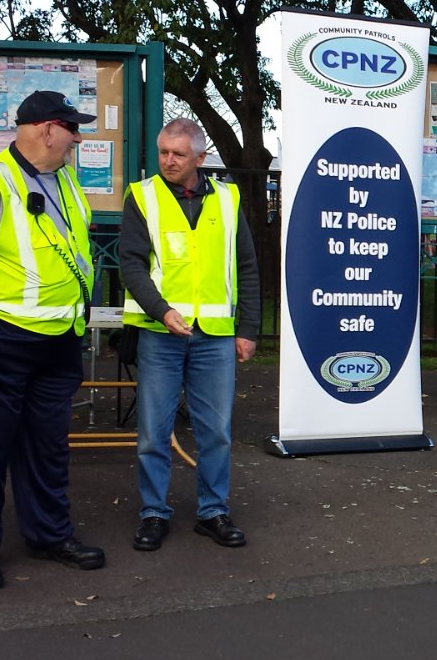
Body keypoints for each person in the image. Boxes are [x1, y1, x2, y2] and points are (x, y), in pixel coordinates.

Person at [0, 89, 105, 590]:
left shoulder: (65, 182)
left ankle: (49, 535)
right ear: (47, 129)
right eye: (72, 128)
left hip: (58, 341)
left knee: (48, 448)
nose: (77, 137)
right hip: (3, 340)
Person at [119, 117, 261, 552]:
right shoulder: (142, 196)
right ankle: (153, 513)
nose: (168, 161)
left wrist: (249, 329)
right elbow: (131, 264)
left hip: (215, 336)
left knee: (215, 431)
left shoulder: (227, 197)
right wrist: (161, 311)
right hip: (160, 334)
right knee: (153, 432)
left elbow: (247, 268)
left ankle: (213, 511)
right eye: (163, 152)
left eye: (178, 154)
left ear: (201, 157)